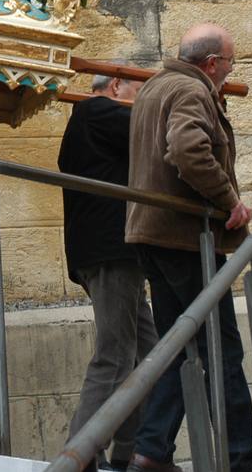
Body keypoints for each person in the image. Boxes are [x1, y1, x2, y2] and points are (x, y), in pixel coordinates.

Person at [124, 24, 252, 472]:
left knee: (178, 345)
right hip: (187, 240)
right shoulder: (192, 90)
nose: (229, 71)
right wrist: (230, 202)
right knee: (221, 349)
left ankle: (151, 450)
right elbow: (187, 150)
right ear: (211, 64)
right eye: (229, 63)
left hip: (156, 236)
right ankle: (241, 460)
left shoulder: (155, 87)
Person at [60, 73, 159, 472]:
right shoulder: (96, 109)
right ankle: (80, 455)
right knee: (116, 356)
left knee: (149, 356)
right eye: (140, 92)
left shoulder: (92, 120)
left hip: (115, 251)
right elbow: (155, 130)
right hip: (111, 250)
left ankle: (129, 454)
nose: (143, 102)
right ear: (117, 85)